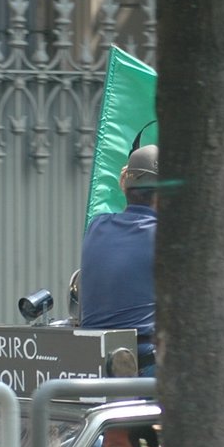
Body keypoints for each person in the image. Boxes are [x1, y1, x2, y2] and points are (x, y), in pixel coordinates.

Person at [79, 144, 159, 371]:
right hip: (146, 361)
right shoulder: (167, 237)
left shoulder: (97, 226)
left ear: (125, 186)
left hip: (96, 358)